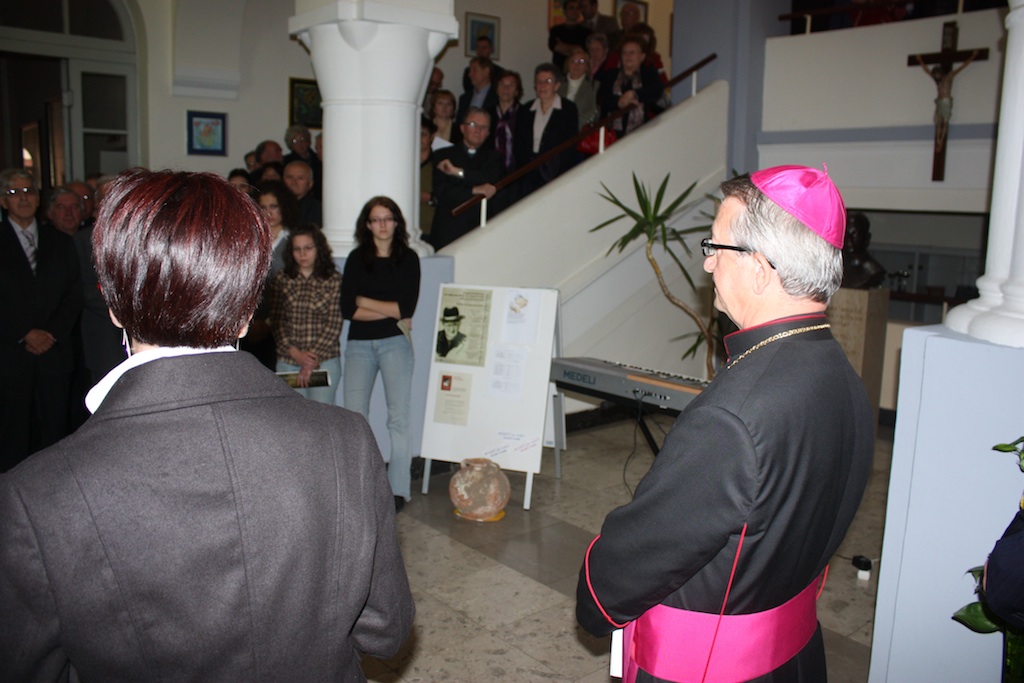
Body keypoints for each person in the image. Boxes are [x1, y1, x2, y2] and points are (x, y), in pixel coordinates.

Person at [0, 169, 414, 680]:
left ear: (114, 306)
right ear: (247, 312)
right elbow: (385, 630)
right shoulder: (345, 440)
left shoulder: (34, 498)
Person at [577, 165, 874, 683]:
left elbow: (632, 564)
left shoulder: (731, 418)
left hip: (710, 667)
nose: (708, 263)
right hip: (794, 655)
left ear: (759, 268)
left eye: (716, 247)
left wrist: (593, 593)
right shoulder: (842, 374)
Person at [0, 169, 82, 471]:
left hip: (53, 354)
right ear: (3, 201)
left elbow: (73, 295)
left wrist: (51, 333)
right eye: (14, 193)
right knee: (12, 438)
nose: (23, 198)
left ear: (38, 200)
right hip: (11, 356)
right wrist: (25, 332)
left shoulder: (59, 242)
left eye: (29, 191)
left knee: (54, 437)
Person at [342, 196, 421, 511]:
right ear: (368, 225)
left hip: (396, 344)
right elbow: (348, 310)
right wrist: (390, 310)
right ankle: (360, 489)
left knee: (398, 419)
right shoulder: (356, 258)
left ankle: (398, 490)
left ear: (397, 222)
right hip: (359, 346)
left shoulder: (409, 258)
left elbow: (406, 308)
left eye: (388, 218)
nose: (383, 225)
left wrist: (365, 301)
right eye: (376, 219)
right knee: (355, 418)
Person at [270, 225, 342, 404]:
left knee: (322, 416)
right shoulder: (282, 279)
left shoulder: (333, 279)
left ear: (318, 248)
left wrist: (310, 359)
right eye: (297, 249)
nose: (303, 254)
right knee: (293, 417)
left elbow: (334, 324)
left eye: (308, 248)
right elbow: (277, 321)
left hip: (324, 360)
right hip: (288, 360)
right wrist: (296, 354)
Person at [241, 182, 297, 369]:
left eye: (274, 206)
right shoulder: (250, 237)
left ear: (284, 207)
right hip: (250, 316)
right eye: (263, 207)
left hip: (283, 320)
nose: (269, 212)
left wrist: (268, 321)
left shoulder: (293, 240)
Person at [430, 107, 502, 250]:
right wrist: (475, 189)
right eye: (473, 125)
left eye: (483, 127)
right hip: (449, 228)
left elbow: (490, 179)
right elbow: (442, 192)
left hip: (479, 227)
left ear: (488, 133)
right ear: (462, 128)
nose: (478, 130)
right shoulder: (442, 155)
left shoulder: (494, 158)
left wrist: (457, 172)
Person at [513, 63, 579, 198]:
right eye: (539, 81)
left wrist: (554, 169)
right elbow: (518, 143)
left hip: (555, 173)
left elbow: (570, 145)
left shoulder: (568, 109)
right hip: (528, 173)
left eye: (548, 81)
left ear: (557, 85)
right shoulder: (525, 109)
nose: (542, 86)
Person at [598, 36, 663, 137]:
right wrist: (620, 102)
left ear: (642, 56)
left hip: (642, 134)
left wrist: (633, 94)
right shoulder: (610, 75)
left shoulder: (649, 74)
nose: (628, 56)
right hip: (611, 135)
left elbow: (656, 90)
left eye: (632, 52)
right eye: (624, 52)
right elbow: (602, 100)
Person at [490, 70, 524, 173]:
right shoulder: (487, 114)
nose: (506, 88)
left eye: (511, 85)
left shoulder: (525, 114)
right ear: (496, 89)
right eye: (502, 84)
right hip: (491, 169)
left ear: (517, 91)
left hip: (517, 169)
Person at [560, 47, 600, 128]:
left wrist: (573, 125)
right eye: (574, 61)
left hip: (581, 130)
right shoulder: (558, 85)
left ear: (586, 66)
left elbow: (593, 111)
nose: (577, 65)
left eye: (581, 61)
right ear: (568, 64)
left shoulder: (593, 86)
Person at [282, 123, 323, 200]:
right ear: (290, 144)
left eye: (302, 139)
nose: (300, 144)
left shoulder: (319, 158)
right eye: (295, 141)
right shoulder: (286, 161)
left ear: (308, 142)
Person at [548, 0, 590, 73]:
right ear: (564, 11)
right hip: (559, 71)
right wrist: (576, 49)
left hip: (578, 71)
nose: (575, 11)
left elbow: (584, 50)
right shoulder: (556, 30)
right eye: (571, 8)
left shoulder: (586, 32)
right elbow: (554, 46)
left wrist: (564, 47)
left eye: (577, 8)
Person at [284, 159, 323, 226]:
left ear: (310, 184)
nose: (294, 182)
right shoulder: (275, 205)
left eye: (300, 178)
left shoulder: (316, 209)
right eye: (289, 177)